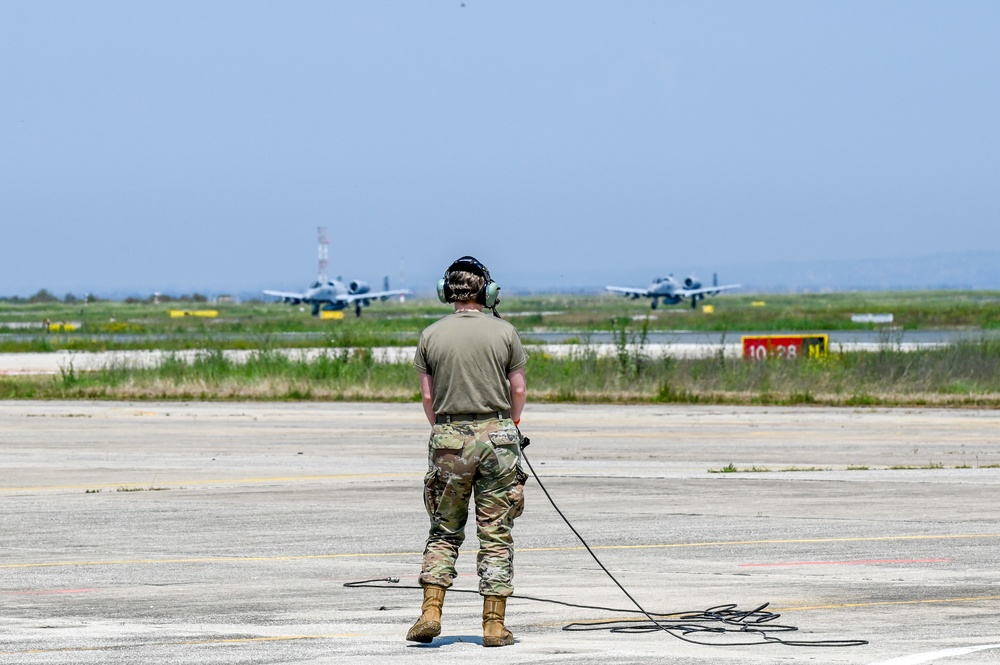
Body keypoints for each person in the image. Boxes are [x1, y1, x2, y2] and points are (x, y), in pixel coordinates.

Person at [408, 256, 528, 648]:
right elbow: (519, 391)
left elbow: (428, 397)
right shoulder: (505, 332)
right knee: (496, 532)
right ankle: (494, 625)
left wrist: (445, 432)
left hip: (448, 437)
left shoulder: (430, 335)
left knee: (444, 530)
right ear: (487, 292)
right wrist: (510, 426)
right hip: (498, 439)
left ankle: (430, 612)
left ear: (448, 293)